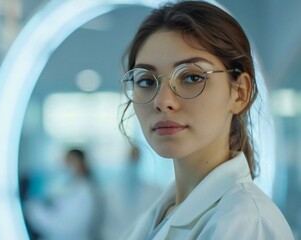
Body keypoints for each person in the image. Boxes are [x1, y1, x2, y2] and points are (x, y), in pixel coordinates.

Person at [118, 1, 293, 239]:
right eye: (147, 81)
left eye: (191, 77)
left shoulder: (246, 224)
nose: (163, 101)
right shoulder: (164, 211)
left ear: (240, 92)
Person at [25, 149, 101, 240]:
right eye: (66, 161)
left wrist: (33, 210)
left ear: (82, 163)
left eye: (70, 161)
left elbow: (66, 226)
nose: (66, 165)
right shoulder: (71, 186)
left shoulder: (85, 193)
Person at [101, 144, 162, 240]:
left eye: (135, 158)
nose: (132, 162)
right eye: (130, 158)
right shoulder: (109, 191)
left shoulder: (155, 191)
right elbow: (105, 224)